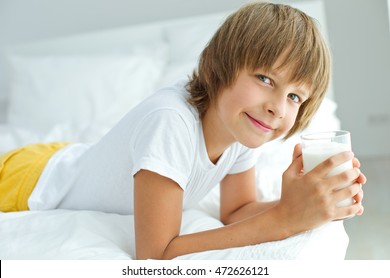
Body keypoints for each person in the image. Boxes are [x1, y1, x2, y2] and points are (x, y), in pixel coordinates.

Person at [0, 1, 366, 260]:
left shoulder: (244, 125)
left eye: (295, 96)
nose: (278, 107)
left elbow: (236, 211)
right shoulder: (171, 121)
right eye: (265, 77)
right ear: (220, 65)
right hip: (28, 176)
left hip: (68, 155)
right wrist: (283, 221)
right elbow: (155, 255)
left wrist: (298, 205)